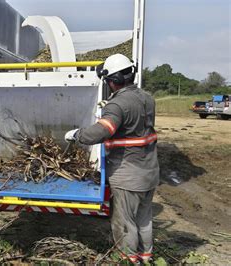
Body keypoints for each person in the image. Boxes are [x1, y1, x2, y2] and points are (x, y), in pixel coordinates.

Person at [64, 54, 159, 263]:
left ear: (112, 81)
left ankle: (127, 260)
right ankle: (146, 257)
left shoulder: (117, 105)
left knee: (125, 222)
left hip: (128, 174)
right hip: (150, 171)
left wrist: (77, 134)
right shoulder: (147, 98)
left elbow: (101, 132)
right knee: (143, 219)